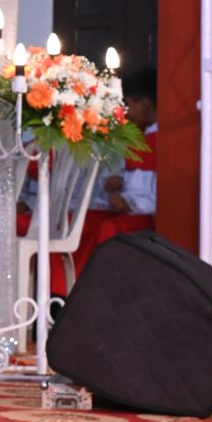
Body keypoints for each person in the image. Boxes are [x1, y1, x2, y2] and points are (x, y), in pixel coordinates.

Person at [68, 66, 159, 279]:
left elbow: (162, 193)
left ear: (144, 105)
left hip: (147, 216)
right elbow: (136, 178)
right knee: (85, 221)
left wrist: (130, 203)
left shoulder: (162, 141)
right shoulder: (140, 136)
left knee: (107, 230)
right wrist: (119, 182)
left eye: (128, 104)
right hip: (129, 209)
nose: (125, 112)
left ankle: (96, 284)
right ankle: (70, 283)